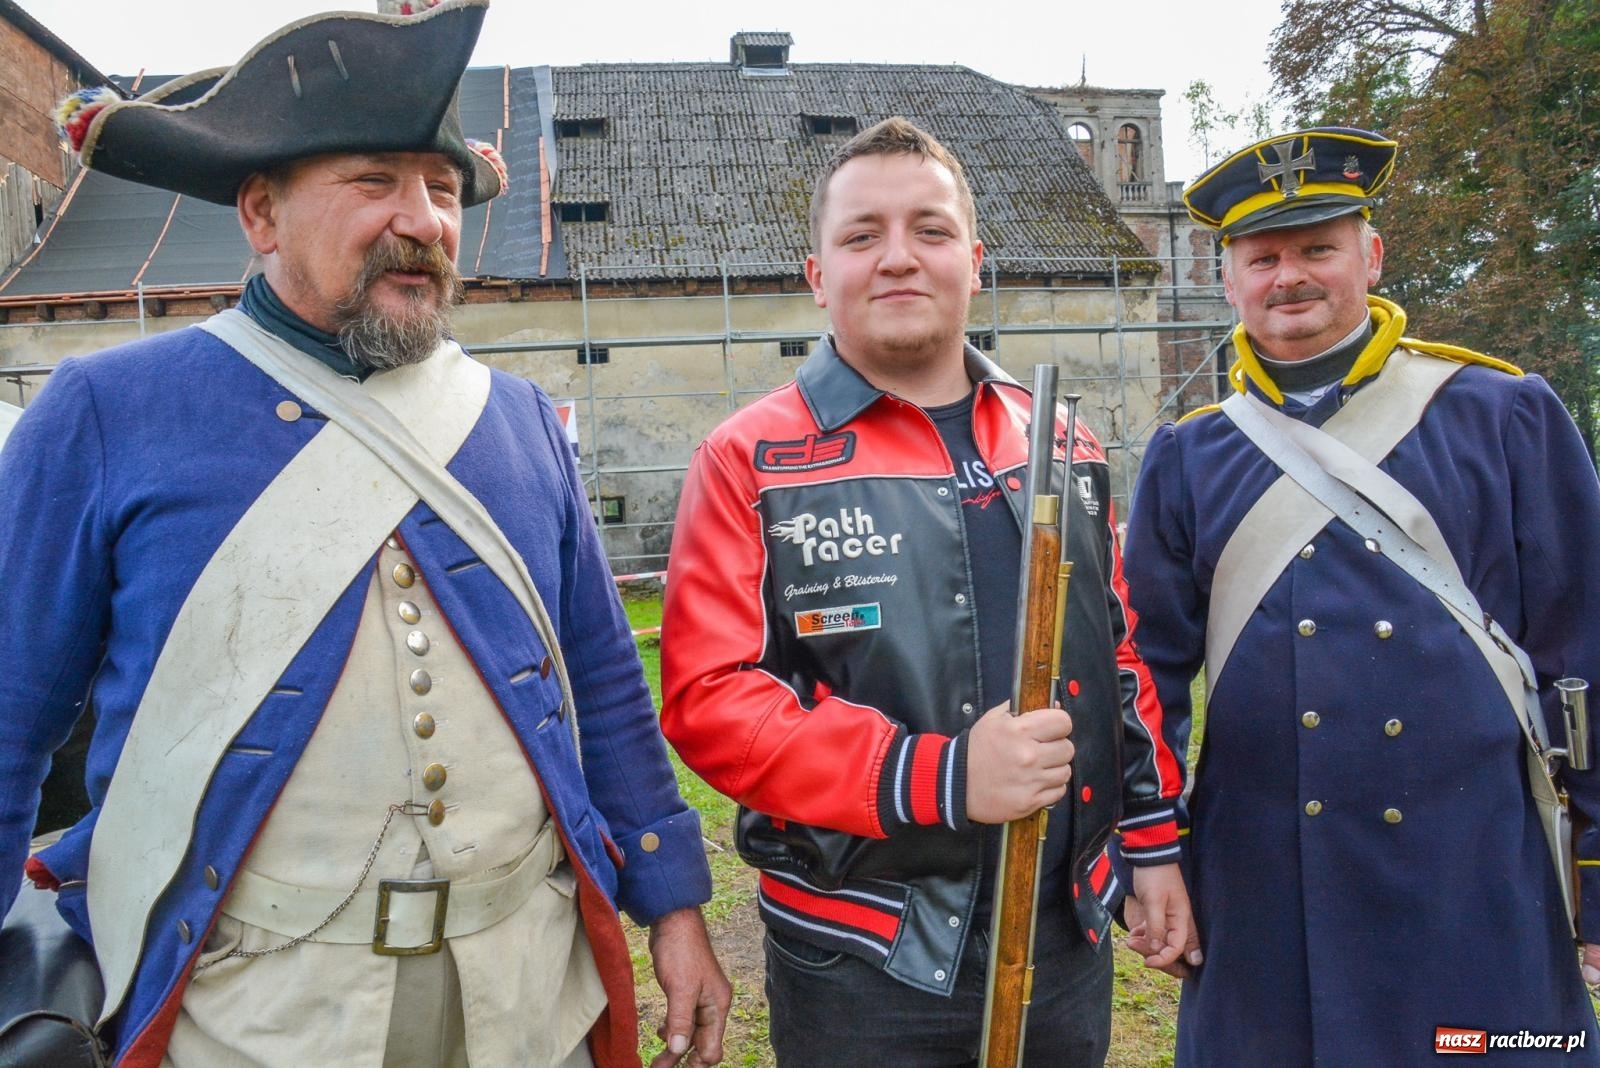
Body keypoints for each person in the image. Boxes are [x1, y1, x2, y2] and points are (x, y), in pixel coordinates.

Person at [0, 3, 730, 1066]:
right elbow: (11, 713)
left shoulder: (518, 419)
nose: (424, 219)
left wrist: (674, 907)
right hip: (250, 1012)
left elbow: (604, 683)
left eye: (440, 191)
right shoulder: (105, 411)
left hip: (522, 995)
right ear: (260, 213)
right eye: (375, 181)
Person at [659, 116, 1192, 1067]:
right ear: (818, 274)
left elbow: (1116, 654)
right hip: (863, 959)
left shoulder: (1061, 442)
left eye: (931, 231)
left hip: (1066, 933)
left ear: (974, 261)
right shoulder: (749, 459)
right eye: (863, 236)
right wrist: (936, 777)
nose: (898, 258)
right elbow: (711, 697)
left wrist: (1149, 838)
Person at [1122, 126, 1600, 1064]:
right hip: (1266, 884)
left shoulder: (1501, 414)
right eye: (1262, 257)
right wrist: (1151, 851)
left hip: (1475, 872)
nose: (1288, 277)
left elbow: (1583, 652)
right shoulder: (1188, 458)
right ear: (1229, 279)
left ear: (1370, 257)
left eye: (1316, 249)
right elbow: (1145, 677)